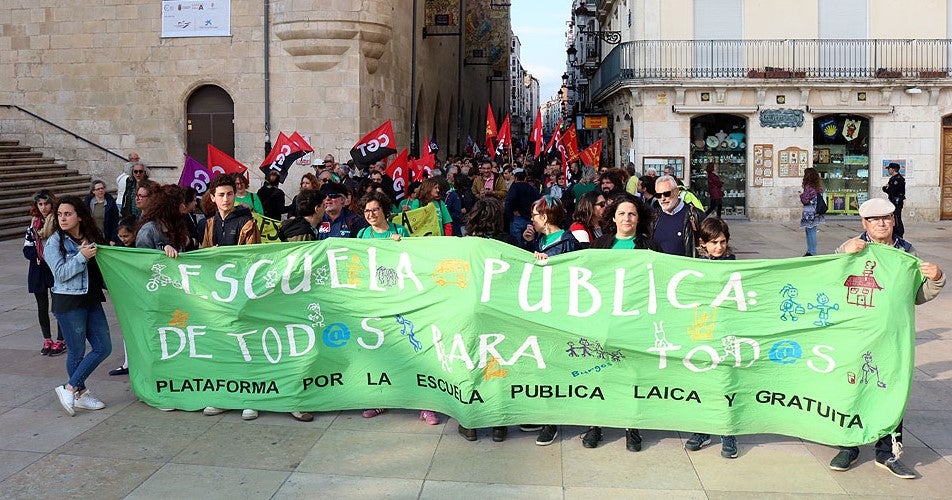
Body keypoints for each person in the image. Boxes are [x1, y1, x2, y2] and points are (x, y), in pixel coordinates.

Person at [829, 197, 945, 479]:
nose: (880, 223)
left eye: (886, 218)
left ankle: (888, 452)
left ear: (894, 220)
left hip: (893, 338)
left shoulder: (907, 252)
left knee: (891, 391)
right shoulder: (853, 248)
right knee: (852, 389)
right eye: (873, 219)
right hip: (857, 335)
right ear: (863, 223)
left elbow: (916, 295)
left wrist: (936, 278)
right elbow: (829, 280)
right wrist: (843, 252)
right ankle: (848, 446)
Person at [585, 193, 660, 451]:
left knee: (631, 375)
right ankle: (595, 424)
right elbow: (580, 275)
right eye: (622, 214)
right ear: (613, 218)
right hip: (603, 320)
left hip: (635, 321)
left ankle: (632, 427)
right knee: (599, 373)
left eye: (632, 214)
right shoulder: (600, 245)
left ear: (639, 218)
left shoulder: (650, 248)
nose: (626, 218)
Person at [109, 185, 194, 377]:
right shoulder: (149, 230)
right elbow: (143, 267)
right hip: (158, 298)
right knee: (160, 337)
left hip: (178, 296)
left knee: (178, 333)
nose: (185, 205)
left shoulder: (177, 226)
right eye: (180, 202)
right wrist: (161, 254)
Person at [521, 195, 580, 446]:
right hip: (539, 311)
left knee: (554, 365)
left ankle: (551, 421)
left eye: (534, 216)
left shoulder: (568, 243)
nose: (531, 220)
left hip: (559, 313)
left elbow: (573, 277)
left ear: (544, 218)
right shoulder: (541, 240)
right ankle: (541, 412)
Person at [46, 195, 111, 416]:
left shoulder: (92, 236)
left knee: (104, 347)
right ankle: (78, 393)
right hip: (69, 302)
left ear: (80, 216)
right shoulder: (54, 242)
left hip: (91, 300)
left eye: (68, 214)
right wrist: (81, 257)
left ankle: (69, 388)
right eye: (60, 215)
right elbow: (61, 274)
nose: (63, 218)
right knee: (76, 351)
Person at [683, 217, 738, 459]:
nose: (719, 247)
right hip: (702, 330)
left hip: (726, 331)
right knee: (702, 382)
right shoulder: (694, 265)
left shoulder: (734, 264)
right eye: (714, 242)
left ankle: (728, 433)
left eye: (723, 242)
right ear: (702, 243)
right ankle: (702, 429)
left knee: (726, 383)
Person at [24, 190, 66, 356]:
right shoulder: (34, 223)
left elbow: (62, 246)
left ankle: (61, 340)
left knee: (58, 306)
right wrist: (38, 255)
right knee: (42, 306)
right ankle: (47, 338)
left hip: (54, 268)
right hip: (38, 268)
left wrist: (47, 255)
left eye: (46, 203)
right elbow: (27, 248)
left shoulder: (57, 222)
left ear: (52, 204)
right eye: (40, 204)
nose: (43, 207)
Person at [652, 175, 705, 258]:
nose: (663, 198)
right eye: (658, 195)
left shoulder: (695, 215)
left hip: (686, 269)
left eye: (667, 194)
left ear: (676, 191)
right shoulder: (654, 217)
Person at [504, 170, 540, 248]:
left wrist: (510, 215)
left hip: (517, 219)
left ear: (515, 178)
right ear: (525, 178)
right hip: (530, 218)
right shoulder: (532, 188)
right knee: (530, 238)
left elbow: (509, 201)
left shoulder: (515, 187)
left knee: (516, 244)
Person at [84, 180, 120, 245]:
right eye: (98, 189)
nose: (101, 190)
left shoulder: (110, 202)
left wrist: (113, 238)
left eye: (102, 188)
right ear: (93, 191)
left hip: (106, 236)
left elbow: (115, 221)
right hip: (92, 236)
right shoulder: (88, 203)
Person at [799, 167, 825, 256]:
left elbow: (805, 200)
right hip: (816, 212)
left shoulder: (808, 187)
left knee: (810, 232)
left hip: (809, 212)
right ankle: (810, 250)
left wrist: (801, 195)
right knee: (812, 231)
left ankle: (812, 251)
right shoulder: (818, 187)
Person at [882, 162, 905, 238]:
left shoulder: (899, 179)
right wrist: (886, 189)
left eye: (889, 169)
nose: (888, 170)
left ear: (893, 169)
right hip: (892, 200)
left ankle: (899, 232)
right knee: (893, 217)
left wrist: (886, 189)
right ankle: (894, 231)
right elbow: (887, 188)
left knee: (897, 217)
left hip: (897, 201)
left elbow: (892, 190)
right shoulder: (892, 178)